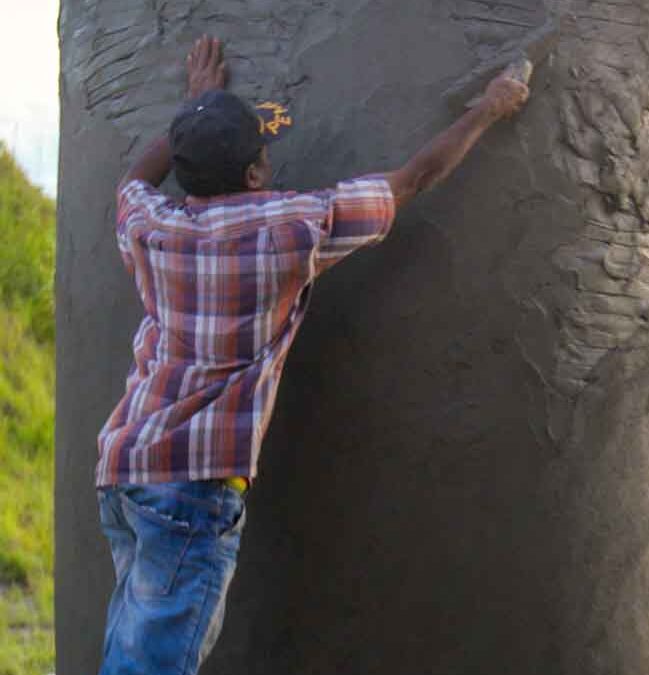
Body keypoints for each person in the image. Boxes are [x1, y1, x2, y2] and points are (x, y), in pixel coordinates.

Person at [95, 34, 529, 675]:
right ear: (255, 174)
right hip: (191, 491)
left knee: (130, 653)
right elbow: (413, 180)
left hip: (126, 468)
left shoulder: (151, 228)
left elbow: (132, 181)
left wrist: (195, 109)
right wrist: (489, 109)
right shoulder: (289, 229)